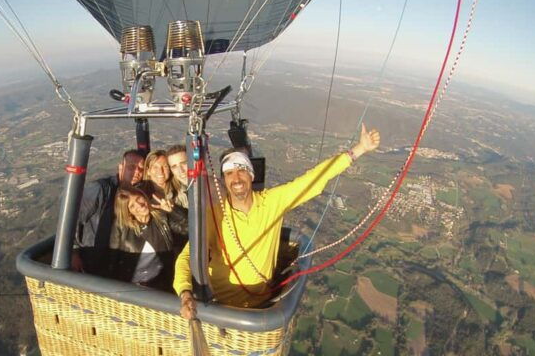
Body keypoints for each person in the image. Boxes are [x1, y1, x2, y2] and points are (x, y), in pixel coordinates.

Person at [175, 124, 381, 318]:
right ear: (224, 179)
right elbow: (188, 255)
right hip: (219, 304)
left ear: (251, 174)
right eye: (229, 173)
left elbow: (312, 180)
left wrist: (358, 149)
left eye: (241, 170)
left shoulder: (272, 202)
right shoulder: (214, 214)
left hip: (260, 304)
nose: (236, 178)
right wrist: (185, 293)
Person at [72, 149, 145, 275]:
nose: (137, 171)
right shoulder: (101, 189)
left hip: (113, 266)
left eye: (141, 168)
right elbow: (72, 219)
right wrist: (73, 253)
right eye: (131, 166)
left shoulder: (136, 195)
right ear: (121, 167)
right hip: (89, 263)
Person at [105, 183, 185, 290]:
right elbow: (112, 260)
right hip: (131, 285)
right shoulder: (121, 227)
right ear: (128, 212)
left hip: (161, 284)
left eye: (139, 199)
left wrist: (173, 210)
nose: (140, 205)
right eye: (132, 206)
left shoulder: (161, 218)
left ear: (144, 196)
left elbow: (188, 228)